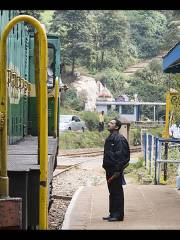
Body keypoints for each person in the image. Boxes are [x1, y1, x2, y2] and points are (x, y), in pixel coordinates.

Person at [102, 119, 130, 221]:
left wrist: (118, 171)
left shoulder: (120, 139)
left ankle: (118, 215)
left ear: (117, 127)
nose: (109, 124)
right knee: (112, 192)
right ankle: (112, 213)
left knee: (117, 192)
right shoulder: (110, 138)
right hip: (109, 169)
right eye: (109, 122)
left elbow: (122, 156)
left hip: (115, 171)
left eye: (112, 123)